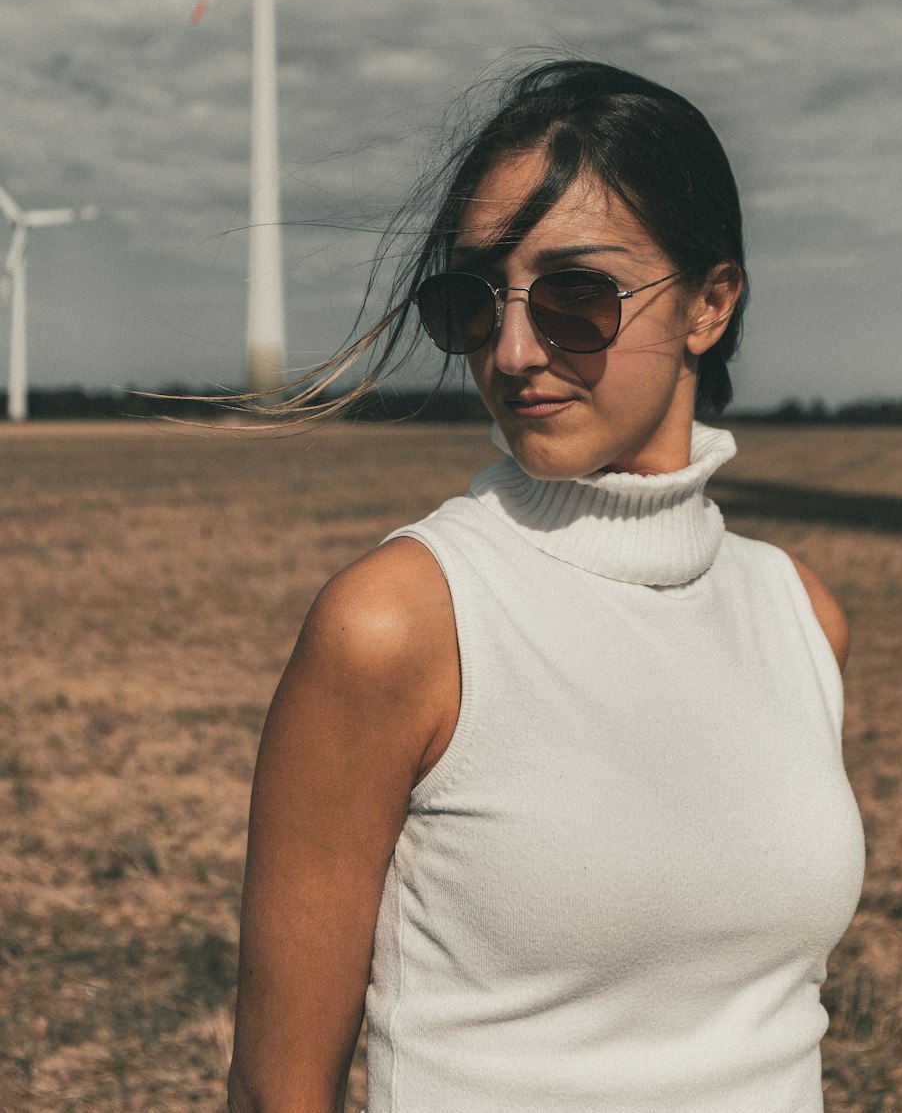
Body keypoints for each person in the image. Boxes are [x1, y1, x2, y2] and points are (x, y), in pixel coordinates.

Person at [226, 60, 865, 1113]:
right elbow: (276, 1093)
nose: (513, 351)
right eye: (471, 302)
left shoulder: (798, 614)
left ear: (710, 303)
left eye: (577, 296)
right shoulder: (401, 624)